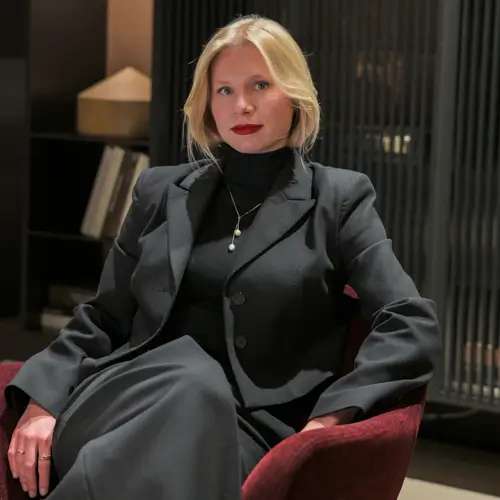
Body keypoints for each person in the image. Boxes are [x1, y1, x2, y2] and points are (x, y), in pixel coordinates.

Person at [5, 14, 441, 500]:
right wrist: (42, 402)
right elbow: (104, 315)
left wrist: (330, 418)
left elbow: (409, 321)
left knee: (195, 404)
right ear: (208, 105)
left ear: (295, 94)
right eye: (225, 90)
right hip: (124, 401)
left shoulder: (338, 200)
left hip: (247, 429)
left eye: (260, 85)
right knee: (192, 383)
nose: (242, 105)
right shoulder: (160, 191)